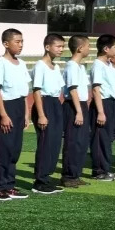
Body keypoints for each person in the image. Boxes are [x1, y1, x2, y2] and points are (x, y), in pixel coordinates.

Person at [0, 29, 30, 201]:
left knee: (15, 149)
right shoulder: (1, 63)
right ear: (6, 44)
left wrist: (26, 112)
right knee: (4, 149)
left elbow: (24, 93)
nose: (20, 45)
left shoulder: (21, 64)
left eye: (22, 41)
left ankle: (10, 184)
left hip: (19, 107)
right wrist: (3, 115)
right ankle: (0, 186)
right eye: (17, 42)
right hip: (7, 107)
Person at [31, 34, 67, 194]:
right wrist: (41, 114)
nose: (61, 49)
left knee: (54, 144)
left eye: (62, 46)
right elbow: (37, 90)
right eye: (58, 46)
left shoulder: (56, 66)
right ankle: (40, 181)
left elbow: (58, 90)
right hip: (44, 104)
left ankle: (47, 178)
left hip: (55, 103)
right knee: (45, 144)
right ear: (47, 47)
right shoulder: (40, 66)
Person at [90, 34, 115, 181]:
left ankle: (106, 168)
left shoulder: (109, 64)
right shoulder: (97, 65)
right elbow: (96, 89)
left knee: (108, 138)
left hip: (112, 102)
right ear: (106, 49)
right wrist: (101, 112)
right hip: (102, 104)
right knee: (100, 138)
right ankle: (99, 170)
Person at [61, 35, 92, 188]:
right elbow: (73, 90)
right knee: (73, 142)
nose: (89, 49)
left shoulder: (80, 66)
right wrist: (79, 111)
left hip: (81, 105)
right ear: (80, 48)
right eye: (88, 46)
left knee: (81, 142)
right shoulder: (71, 65)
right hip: (74, 106)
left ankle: (76, 174)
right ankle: (68, 176)